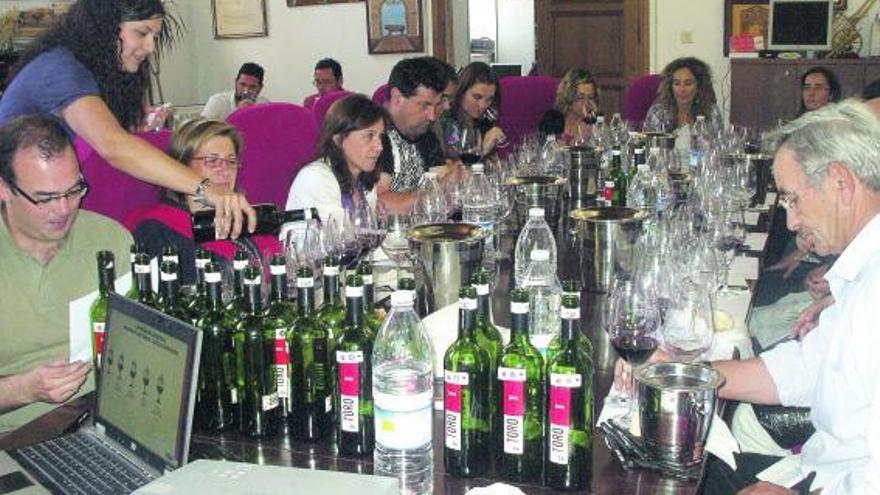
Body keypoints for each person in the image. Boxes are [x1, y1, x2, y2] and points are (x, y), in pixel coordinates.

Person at [627, 99, 880, 494]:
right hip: (817, 468)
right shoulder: (862, 269)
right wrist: (684, 371)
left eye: (793, 199)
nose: (792, 221)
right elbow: (808, 368)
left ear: (840, 182)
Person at [0, 0, 255, 239]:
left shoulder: (89, 72)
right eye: (142, 33)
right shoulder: (60, 70)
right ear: (105, 27)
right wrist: (206, 188)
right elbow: (113, 145)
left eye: (154, 36)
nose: (150, 47)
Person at [0, 115, 132, 434]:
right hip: (18, 434)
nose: (63, 209)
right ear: (4, 189)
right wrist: (23, 389)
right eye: (44, 198)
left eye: (74, 190)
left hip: (111, 422)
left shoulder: (110, 239)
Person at [131, 119, 280, 284]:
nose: (225, 170)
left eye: (231, 161)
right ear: (182, 166)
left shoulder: (249, 218)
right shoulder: (157, 229)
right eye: (211, 160)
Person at [286, 94, 386, 226]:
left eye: (380, 136)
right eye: (369, 136)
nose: (379, 146)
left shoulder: (364, 179)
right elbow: (344, 240)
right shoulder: (316, 178)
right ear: (338, 139)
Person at [376, 56, 454, 214]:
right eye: (424, 105)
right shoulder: (374, 135)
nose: (432, 116)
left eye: (435, 105)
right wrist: (436, 193)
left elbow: (445, 186)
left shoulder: (424, 132)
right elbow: (381, 204)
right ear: (397, 98)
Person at [642, 57, 723, 148]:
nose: (682, 89)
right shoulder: (657, 112)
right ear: (670, 86)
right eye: (677, 83)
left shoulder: (712, 112)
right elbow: (646, 147)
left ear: (699, 87)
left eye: (688, 84)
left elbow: (718, 149)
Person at [442, 62, 507, 157]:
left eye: (489, 99)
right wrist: (482, 152)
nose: (483, 105)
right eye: (477, 97)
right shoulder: (447, 121)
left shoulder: (485, 121)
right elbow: (453, 167)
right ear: (461, 92)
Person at [538, 68, 599, 145]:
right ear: (568, 96)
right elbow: (544, 151)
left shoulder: (593, 120)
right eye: (580, 97)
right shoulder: (552, 119)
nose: (586, 103)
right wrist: (579, 140)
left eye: (590, 97)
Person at [201, 62, 269, 120]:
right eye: (242, 84)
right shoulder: (218, 101)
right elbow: (201, 132)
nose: (246, 91)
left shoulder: (265, 105)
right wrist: (237, 114)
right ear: (236, 82)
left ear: (260, 88)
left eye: (252, 87)